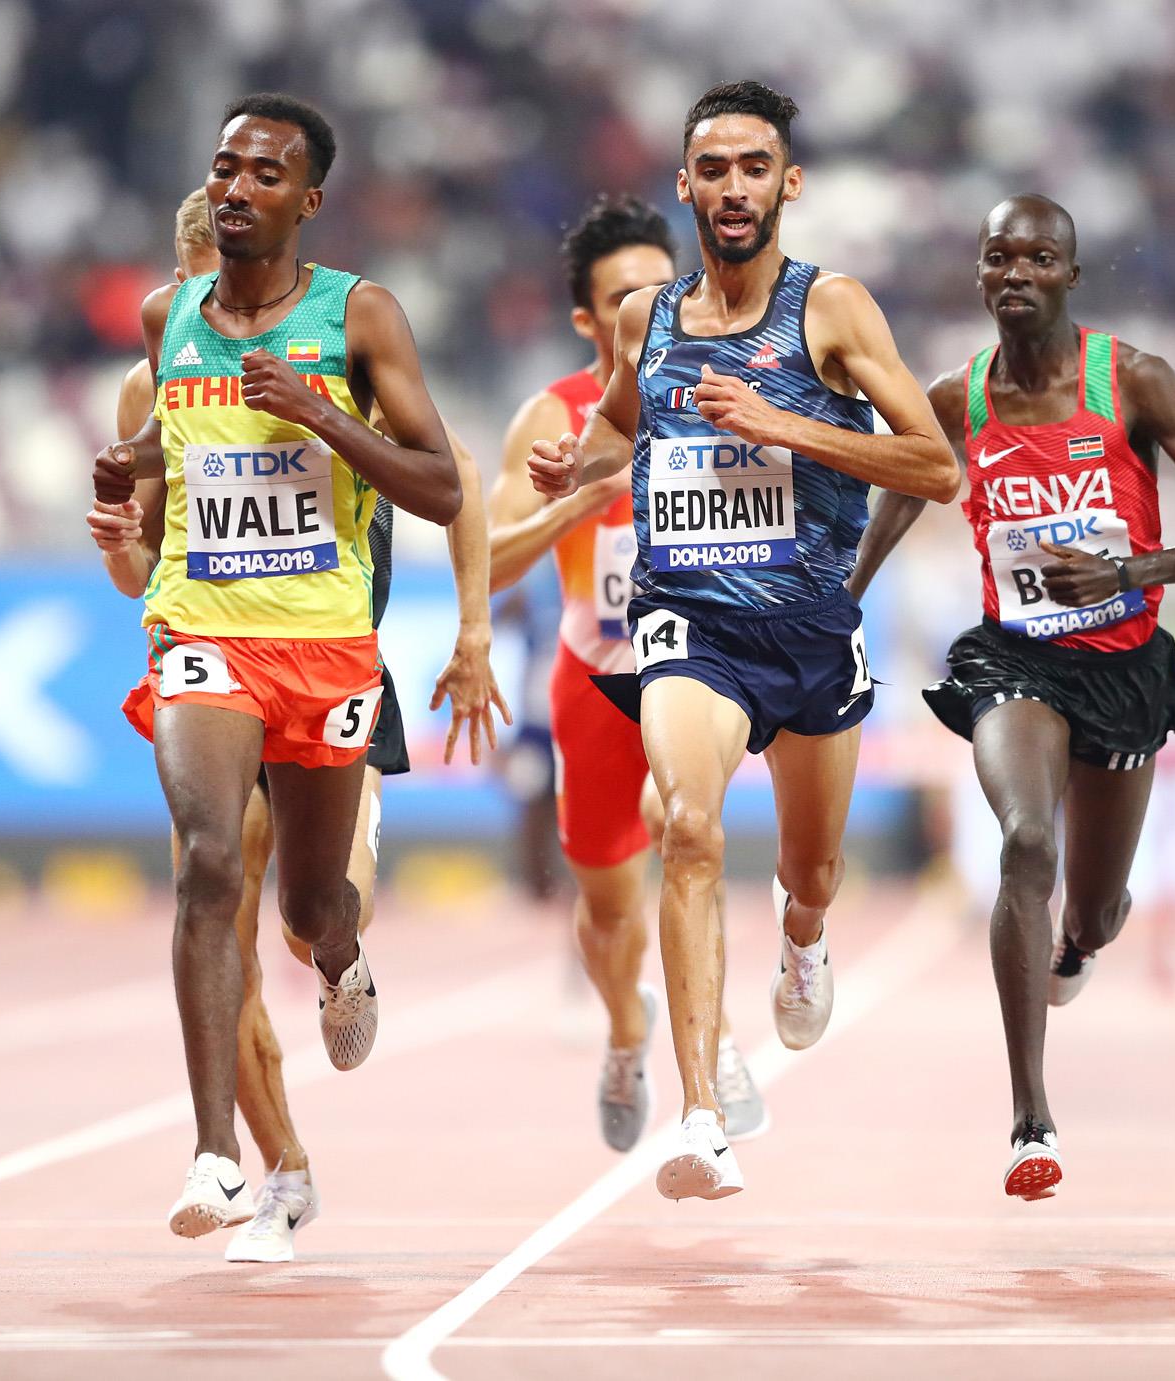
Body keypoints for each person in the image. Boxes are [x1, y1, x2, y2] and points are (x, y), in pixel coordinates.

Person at [528, 81, 958, 1200]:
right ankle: (702, 1117)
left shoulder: (833, 310)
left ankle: (803, 934)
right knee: (685, 828)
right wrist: (565, 470)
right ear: (684, 186)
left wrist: (785, 424)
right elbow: (620, 429)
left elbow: (935, 467)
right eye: (711, 168)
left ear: (786, 184)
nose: (731, 187)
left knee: (809, 870)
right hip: (687, 627)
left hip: (811, 632)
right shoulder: (647, 318)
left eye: (752, 167)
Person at [87, 186, 504, 1260]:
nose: (203, 303)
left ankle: (340, 957)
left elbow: (450, 478)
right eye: (186, 288)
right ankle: (255, 1163)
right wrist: (115, 538)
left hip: (328, 659)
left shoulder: (334, 338)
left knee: (306, 909)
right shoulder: (157, 380)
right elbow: (144, 561)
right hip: (212, 653)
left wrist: (470, 630)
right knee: (210, 883)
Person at [846, 195, 1175, 1200]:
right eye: (998, 256)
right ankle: (1029, 1118)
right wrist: (840, 599)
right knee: (1024, 841)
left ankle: (1078, 939)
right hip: (1016, 662)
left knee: (1093, 906)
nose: (1017, 272)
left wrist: (1138, 567)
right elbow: (903, 491)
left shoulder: (1132, 381)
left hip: (1122, 667)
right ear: (980, 273)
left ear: (1069, 277)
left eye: (1039, 256)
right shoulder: (957, 398)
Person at [488, 193, 767, 1152]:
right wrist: (582, 499)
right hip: (591, 680)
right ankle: (624, 1029)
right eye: (622, 297)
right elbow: (483, 563)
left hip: (692, 668)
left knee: (683, 825)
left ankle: (718, 1043)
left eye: (663, 286)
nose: (646, 309)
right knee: (608, 908)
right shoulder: (554, 416)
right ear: (586, 318)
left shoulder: (729, 386)